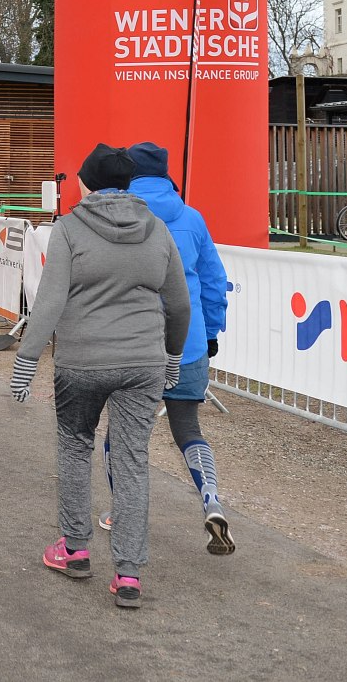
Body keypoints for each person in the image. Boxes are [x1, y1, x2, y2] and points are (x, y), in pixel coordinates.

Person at [10, 143, 189, 610]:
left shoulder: (69, 229)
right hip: (143, 362)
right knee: (131, 461)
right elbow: (179, 304)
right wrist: (172, 357)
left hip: (82, 362)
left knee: (75, 448)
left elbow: (50, 300)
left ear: (87, 183)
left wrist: (27, 361)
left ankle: (75, 549)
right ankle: (128, 573)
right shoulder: (157, 229)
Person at [102, 142, 235, 554]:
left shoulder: (114, 214)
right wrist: (211, 332)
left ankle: (123, 512)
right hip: (188, 341)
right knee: (188, 429)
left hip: (131, 342)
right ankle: (211, 499)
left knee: (122, 434)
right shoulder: (192, 218)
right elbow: (214, 281)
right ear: (165, 173)